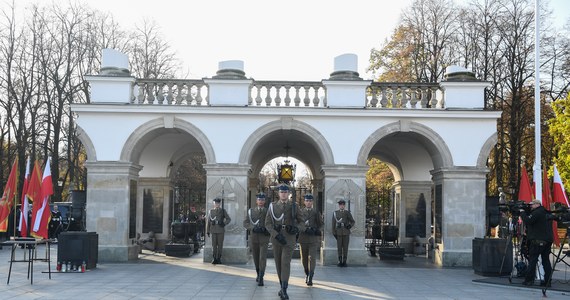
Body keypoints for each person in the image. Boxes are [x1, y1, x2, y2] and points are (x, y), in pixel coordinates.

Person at [265, 184, 304, 300]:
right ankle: (281, 285)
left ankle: (284, 289)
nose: (283, 194)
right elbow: (267, 224)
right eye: (282, 192)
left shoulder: (294, 206)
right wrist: (276, 235)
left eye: (286, 192)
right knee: (278, 263)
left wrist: (296, 228)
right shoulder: (272, 206)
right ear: (278, 193)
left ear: (288, 194)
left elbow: (302, 222)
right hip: (277, 238)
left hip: (289, 237)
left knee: (285, 262)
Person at [520, 199, 553, 287]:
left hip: (538, 240)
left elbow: (528, 220)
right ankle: (548, 281)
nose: (531, 206)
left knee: (533, 260)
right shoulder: (546, 212)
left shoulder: (537, 212)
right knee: (546, 261)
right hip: (548, 240)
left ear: (538, 204)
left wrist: (522, 212)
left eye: (532, 205)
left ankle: (529, 280)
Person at [243, 192, 270, 286]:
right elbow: (245, 223)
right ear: (256, 201)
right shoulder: (251, 211)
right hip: (254, 237)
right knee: (256, 257)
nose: (261, 201)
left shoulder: (268, 211)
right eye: (259, 199)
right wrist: (253, 228)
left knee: (262, 257)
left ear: (265, 201)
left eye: (262, 200)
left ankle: (261, 276)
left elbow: (272, 223)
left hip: (264, 237)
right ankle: (258, 273)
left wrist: (266, 229)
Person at [298, 193, 323, 286]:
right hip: (303, 238)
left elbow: (321, 224)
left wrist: (317, 230)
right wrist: (305, 229)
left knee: (312, 258)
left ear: (312, 202)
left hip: (313, 239)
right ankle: (306, 273)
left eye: (310, 201)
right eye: (307, 201)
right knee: (304, 259)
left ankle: (311, 276)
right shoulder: (300, 212)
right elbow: (298, 224)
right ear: (304, 202)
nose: (308, 202)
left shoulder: (316, 212)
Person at [206, 197, 231, 264]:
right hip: (213, 230)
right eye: (215, 203)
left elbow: (228, 219)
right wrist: (207, 230)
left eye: (218, 203)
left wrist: (223, 223)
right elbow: (208, 221)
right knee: (214, 245)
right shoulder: (211, 211)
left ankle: (219, 258)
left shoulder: (223, 211)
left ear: (219, 204)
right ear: (213, 204)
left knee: (220, 245)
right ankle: (214, 258)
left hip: (220, 230)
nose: (216, 204)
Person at [332, 199, 355, 267]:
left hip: (346, 232)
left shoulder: (347, 213)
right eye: (340, 205)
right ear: (339, 205)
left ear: (344, 205)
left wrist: (349, 226)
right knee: (339, 247)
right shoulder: (335, 213)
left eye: (343, 205)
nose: (341, 206)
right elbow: (333, 223)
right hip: (338, 232)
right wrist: (334, 232)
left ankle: (344, 261)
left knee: (345, 247)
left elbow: (353, 221)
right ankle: (340, 260)